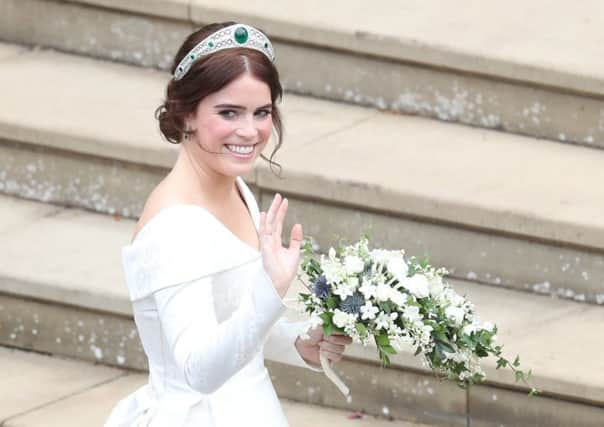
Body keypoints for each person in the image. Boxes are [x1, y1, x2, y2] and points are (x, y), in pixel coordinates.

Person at [104, 22, 352, 426]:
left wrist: (298, 344)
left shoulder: (234, 186)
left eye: (262, 112)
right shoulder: (173, 229)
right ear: (186, 113)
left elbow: (231, 318)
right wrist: (271, 289)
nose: (249, 131)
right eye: (228, 112)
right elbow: (199, 370)